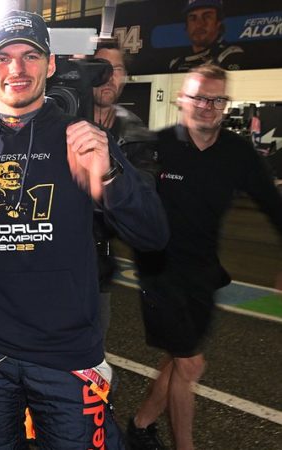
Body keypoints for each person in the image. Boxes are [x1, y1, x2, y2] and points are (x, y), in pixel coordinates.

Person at [0, 10, 168, 449]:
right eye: (3, 57)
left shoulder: (82, 137)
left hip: (67, 351)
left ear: (50, 65)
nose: (16, 68)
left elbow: (153, 235)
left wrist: (111, 175)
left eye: (30, 56)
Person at [126, 64, 282, 450]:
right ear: (181, 98)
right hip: (158, 272)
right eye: (199, 98)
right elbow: (121, 203)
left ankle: (140, 425)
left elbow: (273, 206)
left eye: (217, 100)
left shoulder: (238, 153)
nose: (207, 107)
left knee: (178, 359)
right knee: (190, 363)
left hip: (203, 273)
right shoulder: (155, 147)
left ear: (226, 104)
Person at [91, 42, 160, 337]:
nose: (108, 77)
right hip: (44, 264)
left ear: (125, 78)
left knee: (91, 354)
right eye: (100, 68)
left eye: (116, 69)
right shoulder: (57, 119)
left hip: (96, 270)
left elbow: (141, 201)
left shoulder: (136, 133)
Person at [169, 0, 244, 72]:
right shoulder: (176, 63)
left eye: (207, 16)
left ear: (218, 23)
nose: (199, 24)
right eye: (193, 18)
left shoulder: (232, 55)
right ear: (186, 26)